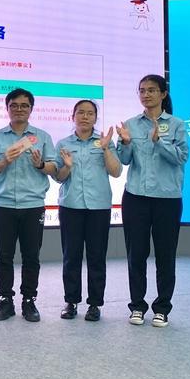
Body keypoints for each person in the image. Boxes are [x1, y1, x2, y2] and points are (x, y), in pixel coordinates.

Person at [116, 74, 188, 328]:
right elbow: (124, 160)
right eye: (142, 90)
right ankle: (137, 306)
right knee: (136, 254)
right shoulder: (131, 124)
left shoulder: (177, 124)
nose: (146, 95)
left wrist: (159, 142)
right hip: (135, 197)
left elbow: (181, 157)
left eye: (151, 90)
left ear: (163, 94)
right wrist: (125, 143)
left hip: (167, 198)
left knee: (165, 255)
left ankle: (162, 308)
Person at [0, 88, 57, 322]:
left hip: (33, 205)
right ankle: (5, 300)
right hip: (4, 205)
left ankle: (29, 300)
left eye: (24, 105)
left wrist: (40, 164)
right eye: (14, 105)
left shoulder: (42, 136)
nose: (19, 109)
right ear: (7, 108)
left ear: (31, 109)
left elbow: (54, 168)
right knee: (3, 255)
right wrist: (4, 160)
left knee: (31, 255)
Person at [53, 100, 122, 322]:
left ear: (95, 118)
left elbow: (116, 172)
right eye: (80, 113)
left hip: (98, 207)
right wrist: (67, 167)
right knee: (71, 256)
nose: (85, 117)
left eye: (90, 113)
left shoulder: (104, 142)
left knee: (96, 256)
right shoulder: (63, 143)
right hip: (71, 206)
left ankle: (95, 304)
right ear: (72, 116)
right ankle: (71, 301)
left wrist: (106, 149)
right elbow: (58, 177)